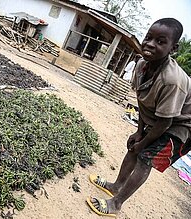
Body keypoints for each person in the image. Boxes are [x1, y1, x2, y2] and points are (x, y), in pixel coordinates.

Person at [86, 18, 191, 217]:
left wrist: (143, 144)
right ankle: (116, 186)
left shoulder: (172, 80)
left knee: (145, 158)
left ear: (173, 48)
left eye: (160, 42)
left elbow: (166, 121)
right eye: (148, 37)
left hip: (183, 125)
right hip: (162, 118)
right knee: (133, 147)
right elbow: (142, 101)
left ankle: (115, 204)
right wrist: (139, 131)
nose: (150, 44)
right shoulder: (143, 64)